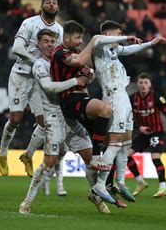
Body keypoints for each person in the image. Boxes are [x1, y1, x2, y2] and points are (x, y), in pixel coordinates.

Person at [19, 29, 109, 214]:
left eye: (53, 41)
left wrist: (88, 75)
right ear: (39, 45)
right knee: (49, 161)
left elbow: (84, 72)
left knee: (90, 158)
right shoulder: (40, 65)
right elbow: (49, 87)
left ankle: (97, 198)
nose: (50, 44)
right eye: (46, 41)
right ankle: (27, 201)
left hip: (71, 115)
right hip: (53, 116)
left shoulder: (63, 59)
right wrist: (77, 80)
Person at [50, 20, 140, 204]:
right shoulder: (60, 53)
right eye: (78, 38)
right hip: (69, 101)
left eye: (82, 38)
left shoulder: (75, 52)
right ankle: (97, 162)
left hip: (80, 100)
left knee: (112, 141)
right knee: (104, 109)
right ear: (66, 37)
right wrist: (92, 42)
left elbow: (87, 69)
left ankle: (108, 185)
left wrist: (88, 75)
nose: (80, 41)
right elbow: (79, 61)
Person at [92, 20, 166, 205]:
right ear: (111, 35)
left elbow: (130, 50)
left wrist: (151, 43)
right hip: (112, 97)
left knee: (126, 144)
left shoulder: (114, 51)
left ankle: (120, 182)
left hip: (123, 96)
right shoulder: (100, 47)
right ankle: (100, 184)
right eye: (118, 33)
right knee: (115, 143)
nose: (121, 37)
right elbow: (101, 40)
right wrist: (126, 37)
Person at [0, 0, 63, 178]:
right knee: (16, 119)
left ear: (58, 7)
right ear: (42, 6)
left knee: (45, 122)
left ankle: (28, 155)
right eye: (48, 2)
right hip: (21, 74)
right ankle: (3, 153)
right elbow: (17, 49)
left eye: (55, 2)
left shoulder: (59, 29)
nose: (51, 4)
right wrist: (38, 63)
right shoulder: (29, 23)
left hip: (39, 80)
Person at [127, 73, 166, 198]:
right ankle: (140, 182)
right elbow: (128, 116)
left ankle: (163, 187)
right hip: (143, 134)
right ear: (137, 85)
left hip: (157, 132)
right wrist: (139, 127)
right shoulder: (132, 98)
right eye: (141, 82)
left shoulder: (156, 97)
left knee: (155, 157)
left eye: (146, 83)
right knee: (125, 155)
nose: (143, 85)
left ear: (150, 85)